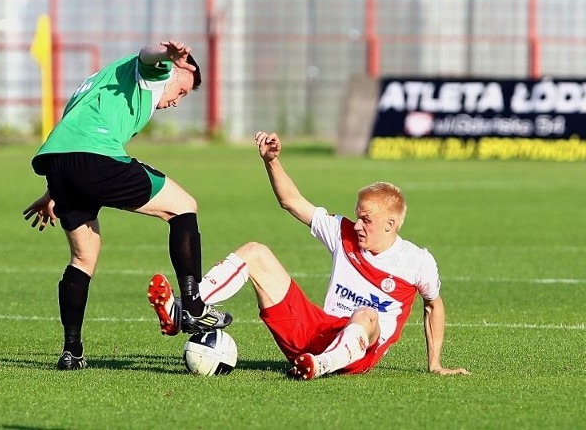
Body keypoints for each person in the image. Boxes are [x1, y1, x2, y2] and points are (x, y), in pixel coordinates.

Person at [152, 131, 470, 379]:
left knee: (367, 314)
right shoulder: (342, 233)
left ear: (391, 224)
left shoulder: (417, 261)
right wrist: (271, 161)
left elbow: (433, 306)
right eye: (357, 216)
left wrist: (435, 364)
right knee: (255, 252)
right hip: (312, 332)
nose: (357, 225)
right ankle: (185, 308)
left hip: (357, 353)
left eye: (366, 220)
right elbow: (291, 201)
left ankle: (322, 365)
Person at [22, 40, 232, 371]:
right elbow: (147, 54)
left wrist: (53, 191)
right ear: (175, 71)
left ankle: (71, 352)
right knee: (183, 206)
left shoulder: (97, 82)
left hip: (58, 164)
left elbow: (71, 135)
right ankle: (192, 305)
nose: (177, 101)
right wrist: (166, 54)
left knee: (83, 257)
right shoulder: (154, 73)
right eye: (183, 91)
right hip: (96, 158)